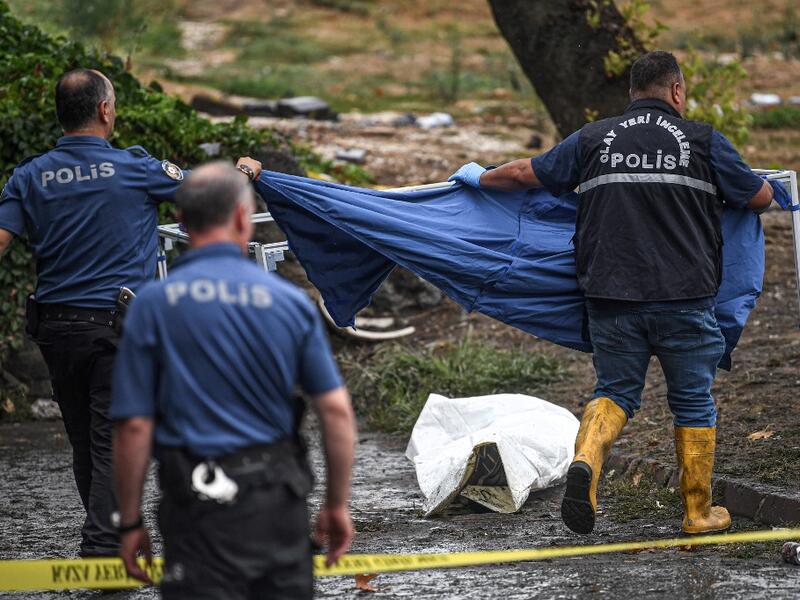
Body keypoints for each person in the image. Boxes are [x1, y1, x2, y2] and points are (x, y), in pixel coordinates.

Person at [449, 51, 790, 536]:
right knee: (693, 400)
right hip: (685, 298)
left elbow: (526, 174)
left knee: (614, 392)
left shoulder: (593, 138)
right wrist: (767, 188)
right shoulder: (703, 141)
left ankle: (586, 462)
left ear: (631, 94)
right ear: (677, 91)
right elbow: (756, 197)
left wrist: (477, 177)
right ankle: (697, 514)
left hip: (611, 297)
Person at [0, 68, 262, 557]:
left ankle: (112, 535)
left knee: (86, 438)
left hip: (56, 331)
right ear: (104, 110)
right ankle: (103, 545)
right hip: (116, 328)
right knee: (112, 441)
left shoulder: (28, 176)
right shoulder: (135, 168)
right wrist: (245, 171)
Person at [111, 162, 356, 599]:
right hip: (278, 501)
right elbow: (335, 411)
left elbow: (133, 426)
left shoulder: (152, 305)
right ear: (244, 219)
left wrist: (130, 521)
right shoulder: (290, 303)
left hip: (197, 508)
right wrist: (335, 505)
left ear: (182, 221)